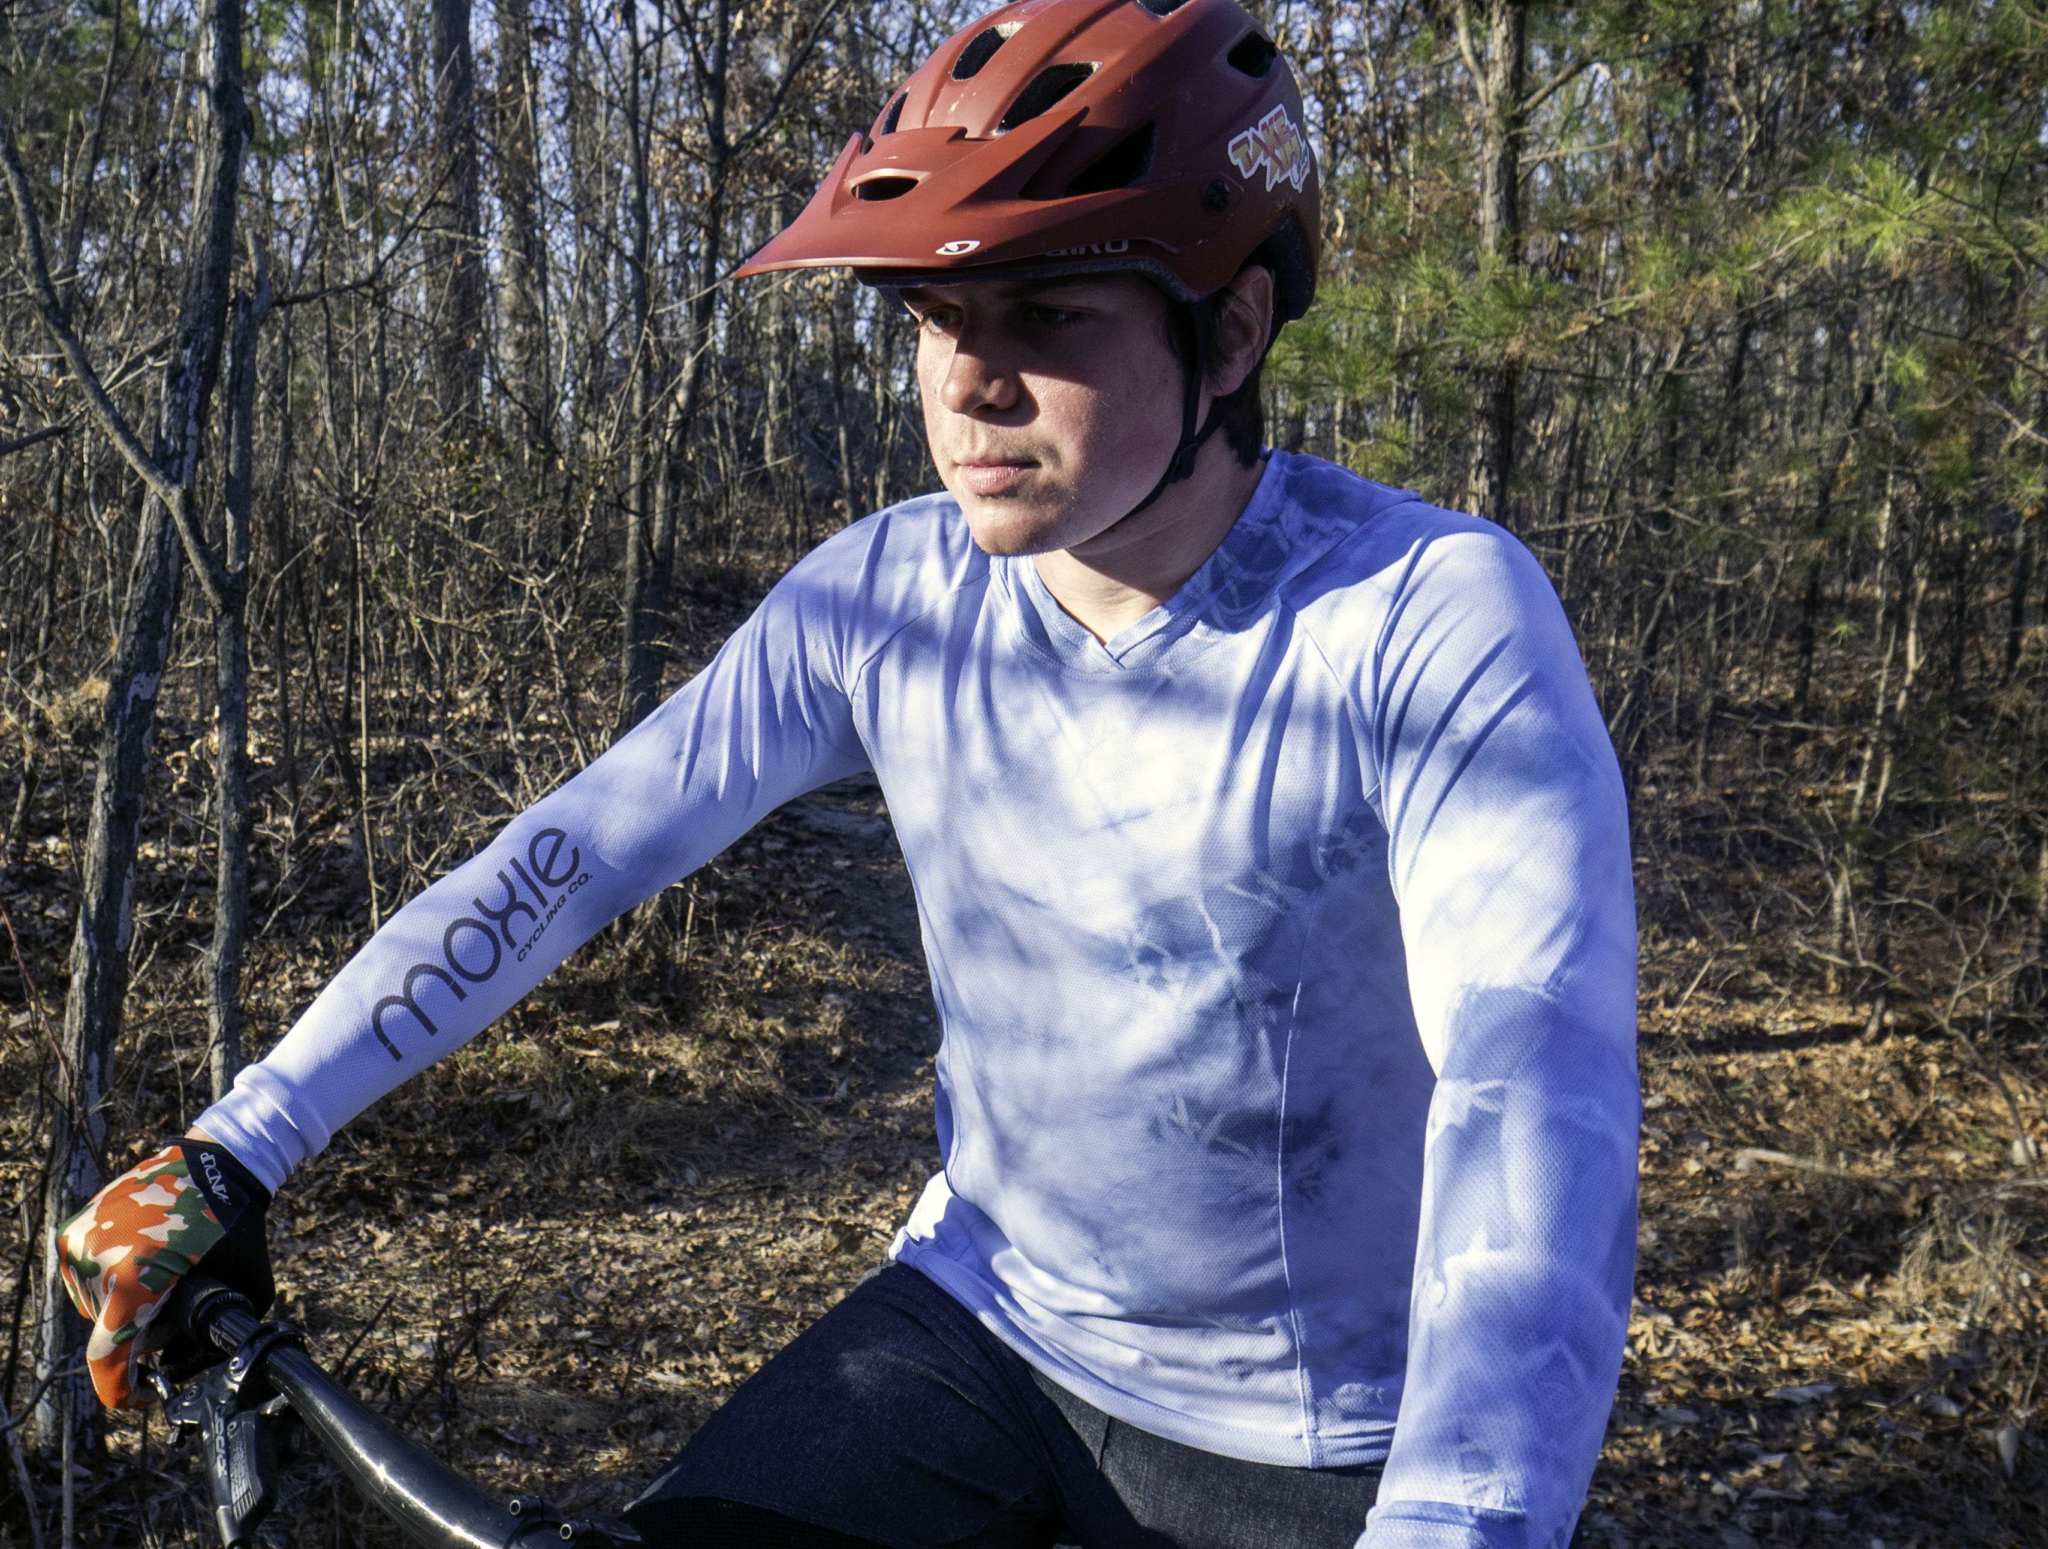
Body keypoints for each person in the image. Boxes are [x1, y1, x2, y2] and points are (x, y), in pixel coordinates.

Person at [57, 1, 1641, 1544]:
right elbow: (581, 853)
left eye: (1048, 315)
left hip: (1325, 1430)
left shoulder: (1423, 616)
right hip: (982, 1327)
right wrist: (242, 1138)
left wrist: (1463, 1512)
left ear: (1227, 329)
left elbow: (1535, 1093)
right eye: (940, 322)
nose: (967, 384)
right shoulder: (891, 596)